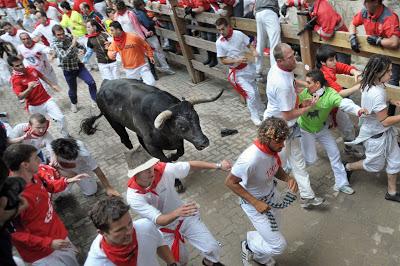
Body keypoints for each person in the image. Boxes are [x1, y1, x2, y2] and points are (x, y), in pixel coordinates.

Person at [126, 146, 231, 265]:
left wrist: (218, 165)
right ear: (136, 174)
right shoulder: (133, 197)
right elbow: (160, 220)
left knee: (212, 248)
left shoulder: (164, 170)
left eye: (151, 165)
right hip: (164, 230)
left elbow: (190, 165)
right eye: (146, 169)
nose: (151, 171)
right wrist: (177, 212)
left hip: (185, 217)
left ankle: (209, 262)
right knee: (180, 261)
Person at [225, 117, 298, 265]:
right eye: (279, 141)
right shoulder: (250, 159)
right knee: (278, 246)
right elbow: (230, 182)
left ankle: (261, 258)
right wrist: (256, 203)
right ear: (267, 139)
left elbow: (274, 169)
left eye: (284, 140)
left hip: (272, 196)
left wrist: (288, 178)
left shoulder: (271, 152)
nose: (283, 145)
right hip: (255, 205)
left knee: (275, 229)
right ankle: (249, 245)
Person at [2, 144, 88, 266]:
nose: (40, 160)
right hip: (42, 252)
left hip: (58, 234)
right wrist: (48, 243)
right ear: (25, 165)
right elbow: (15, 234)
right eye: (35, 158)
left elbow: (48, 186)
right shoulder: (11, 198)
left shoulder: (34, 175)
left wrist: (66, 181)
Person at [263, 43, 324, 208]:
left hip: (287, 126)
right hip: (277, 129)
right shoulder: (281, 85)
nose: (295, 60)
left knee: (297, 161)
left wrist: (303, 88)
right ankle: (264, 192)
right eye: (290, 58)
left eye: (294, 54)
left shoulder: (282, 70)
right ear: (280, 61)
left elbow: (292, 82)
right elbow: (287, 114)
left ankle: (307, 196)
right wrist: (308, 107)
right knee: (273, 163)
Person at [298, 69, 368, 195]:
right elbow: (293, 108)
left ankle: (341, 184)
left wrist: (358, 110)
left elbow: (344, 103)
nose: (306, 84)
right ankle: (289, 164)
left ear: (317, 84)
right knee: (310, 160)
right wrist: (303, 105)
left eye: (308, 82)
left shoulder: (331, 94)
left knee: (335, 153)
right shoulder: (304, 94)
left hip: (321, 129)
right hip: (305, 130)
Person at [345, 55, 400, 202]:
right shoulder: (376, 93)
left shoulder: (372, 83)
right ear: (377, 72)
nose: (391, 73)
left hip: (383, 133)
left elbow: (381, 100)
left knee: (395, 159)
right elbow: (385, 121)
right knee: (374, 165)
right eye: (388, 71)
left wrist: (391, 100)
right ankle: (348, 167)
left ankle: (392, 192)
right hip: (375, 135)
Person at [85, 196, 177, 266]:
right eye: (120, 230)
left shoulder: (146, 227)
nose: (129, 231)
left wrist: (172, 264)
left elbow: (159, 243)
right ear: (102, 233)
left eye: (129, 223)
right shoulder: (95, 263)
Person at [349, 0, 400, 116]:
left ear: (376, 2)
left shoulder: (389, 17)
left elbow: (394, 42)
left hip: (392, 58)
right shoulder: (365, 12)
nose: (364, 3)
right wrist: (352, 37)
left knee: (391, 84)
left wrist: (379, 41)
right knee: (372, 80)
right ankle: (370, 111)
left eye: (366, 1)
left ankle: (388, 116)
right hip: (376, 58)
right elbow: (353, 23)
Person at [315, 45, 363, 155]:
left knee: (347, 127)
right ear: (323, 62)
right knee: (321, 131)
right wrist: (357, 87)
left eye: (335, 58)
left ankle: (348, 149)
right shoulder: (324, 75)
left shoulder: (330, 66)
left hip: (333, 106)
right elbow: (340, 93)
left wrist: (354, 72)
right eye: (331, 60)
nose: (335, 62)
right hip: (325, 109)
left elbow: (344, 67)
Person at [215, 18, 263, 126]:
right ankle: (254, 117)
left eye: (223, 29)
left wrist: (254, 51)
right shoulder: (219, 42)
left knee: (255, 91)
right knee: (250, 93)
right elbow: (222, 60)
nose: (221, 32)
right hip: (236, 73)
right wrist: (236, 60)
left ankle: (261, 111)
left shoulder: (238, 34)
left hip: (248, 68)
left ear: (228, 26)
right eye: (219, 30)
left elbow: (248, 44)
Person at [8, 55, 70, 138]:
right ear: (12, 67)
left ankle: (66, 137)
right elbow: (20, 97)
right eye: (17, 66)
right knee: (39, 129)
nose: (21, 66)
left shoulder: (31, 69)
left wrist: (52, 85)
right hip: (34, 106)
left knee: (61, 118)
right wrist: (29, 89)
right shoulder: (15, 79)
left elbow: (42, 76)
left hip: (47, 100)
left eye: (21, 64)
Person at [281, 0, 350, 64]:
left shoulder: (324, 10)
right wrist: (286, 4)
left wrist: (314, 27)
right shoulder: (311, 2)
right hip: (327, 40)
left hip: (340, 41)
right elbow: (298, 1)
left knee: (342, 66)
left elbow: (327, 34)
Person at [50, 137, 120, 197]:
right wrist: (54, 157)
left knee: (91, 191)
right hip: (64, 170)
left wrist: (108, 187)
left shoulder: (84, 153)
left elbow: (97, 170)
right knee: (61, 192)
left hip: (81, 169)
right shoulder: (56, 146)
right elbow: (52, 149)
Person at [51, 24, 97, 112]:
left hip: (78, 65)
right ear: (54, 35)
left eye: (62, 33)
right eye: (58, 35)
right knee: (73, 89)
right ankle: (74, 103)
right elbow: (64, 56)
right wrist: (72, 45)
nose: (61, 36)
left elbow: (80, 46)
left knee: (91, 82)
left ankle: (94, 99)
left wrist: (82, 49)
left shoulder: (69, 37)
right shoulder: (55, 44)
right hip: (68, 69)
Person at [133, 0, 175, 75]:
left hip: (145, 35)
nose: (144, 6)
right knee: (158, 50)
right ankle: (165, 67)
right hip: (150, 34)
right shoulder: (141, 13)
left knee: (153, 51)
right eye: (143, 5)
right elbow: (147, 24)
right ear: (140, 5)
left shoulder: (135, 12)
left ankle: (159, 67)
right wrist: (153, 20)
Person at [107, 21, 156, 85]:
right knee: (134, 87)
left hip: (142, 65)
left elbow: (146, 45)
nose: (111, 32)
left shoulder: (133, 37)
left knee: (151, 83)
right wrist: (111, 55)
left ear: (118, 30)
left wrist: (150, 56)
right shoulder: (115, 42)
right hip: (129, 69)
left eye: (112, 30)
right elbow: (110, 51)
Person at [253, 0, 280, 80]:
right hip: (269, 11)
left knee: (260, 43)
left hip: (258, 12)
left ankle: (258, 71)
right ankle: (275, 73)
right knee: (275, 43)